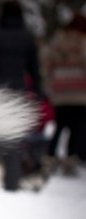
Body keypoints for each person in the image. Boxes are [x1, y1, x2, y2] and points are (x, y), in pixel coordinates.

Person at [0, 1, 44, 190]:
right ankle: (11, 184)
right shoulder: (27, 38)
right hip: (17, 92)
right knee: (13, 139)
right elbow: (34, 69)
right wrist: (38, 93)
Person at [43, 14, 86, 168]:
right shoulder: (83, 41)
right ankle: (70, 158)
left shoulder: (57, 41)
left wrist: (50, 84)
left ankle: (50, 156)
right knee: (77, 128)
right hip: (80, 92)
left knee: (59, 125)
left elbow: (47, 62)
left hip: (60, 91)